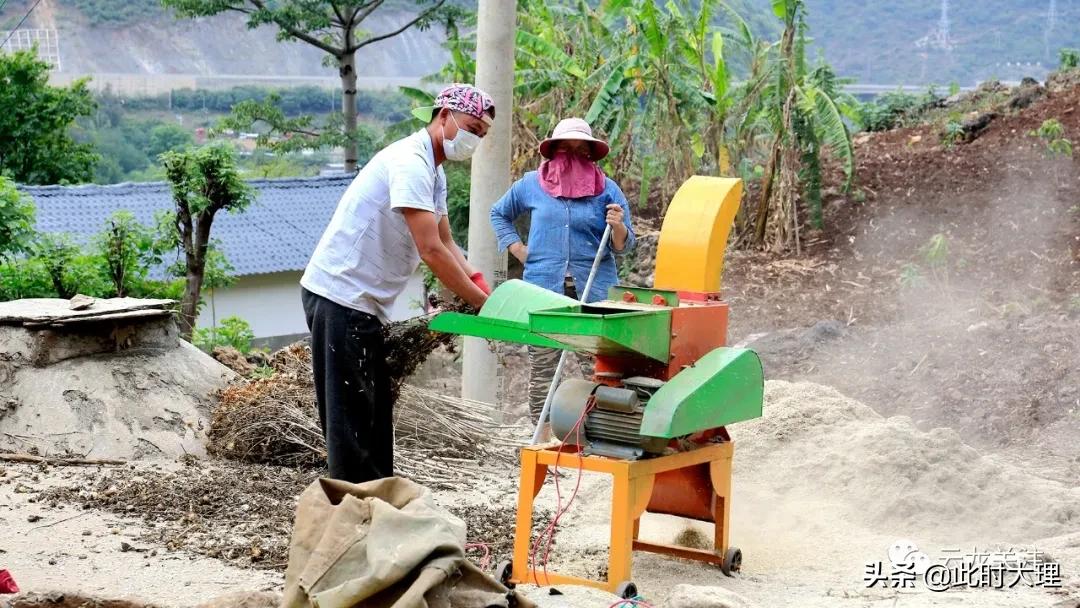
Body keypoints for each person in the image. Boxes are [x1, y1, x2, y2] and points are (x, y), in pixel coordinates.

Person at [300, 83, 495, 483]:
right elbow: (431, 251)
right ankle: (351, 521)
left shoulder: (433, 172)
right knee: (351, 428)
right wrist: (481, 304)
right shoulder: (409, 161)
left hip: (364, 304)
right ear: (444, 116)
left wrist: (481, 286)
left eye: (482, 134)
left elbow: (447, 241)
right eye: (472, 127)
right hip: (340, 298)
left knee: (373, 418)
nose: (475, 139)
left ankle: (376, 509)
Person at [489, 117, 635, 429]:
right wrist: (518, 249)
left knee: (598, 367)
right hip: (544, 290)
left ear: (591, 155)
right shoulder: (531, 184)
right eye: (565, 149)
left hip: (593, 293)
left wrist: (618, 226)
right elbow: (499, 213)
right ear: (553, 151)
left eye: (580, 150)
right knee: (542, 365)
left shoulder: (608, 190)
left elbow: (624, 245)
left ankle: (601, 434)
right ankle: (543, 439)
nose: (572, 156)